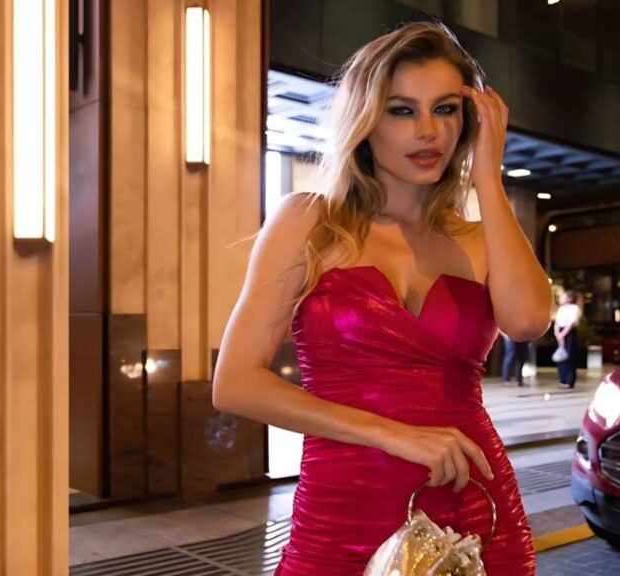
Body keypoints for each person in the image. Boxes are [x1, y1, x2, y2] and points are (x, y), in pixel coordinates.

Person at [213, 21, 552, 575]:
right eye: (402, 110)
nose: (429, 131)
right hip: (343, 507)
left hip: (472, 504)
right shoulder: (308, 222)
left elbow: (529, 321)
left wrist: (487, 178)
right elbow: (235, 383)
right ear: (366, 122)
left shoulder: (478, 239)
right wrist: (394, 435)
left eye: (446, 109)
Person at [554, 290, 581, 389]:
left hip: (569, 333)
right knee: (561, 357)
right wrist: (557, 334)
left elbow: (571, 323)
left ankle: (569, 381)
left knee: (569, 357)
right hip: (560, 332)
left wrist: (563, 334)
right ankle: (562, 380)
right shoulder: (561, 309)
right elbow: (557, 322)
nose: (561, 298)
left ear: (569, 298)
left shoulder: (575, 308)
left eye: (563, 296)